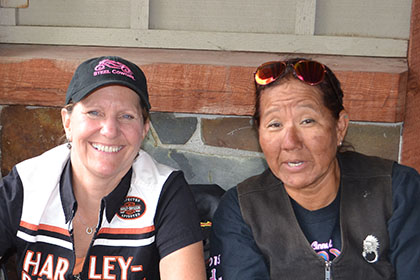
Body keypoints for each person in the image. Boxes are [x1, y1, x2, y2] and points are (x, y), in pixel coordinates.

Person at [209, 58, 420, 279]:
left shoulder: (397, 190)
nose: (290, 142)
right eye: (275, 124)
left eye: (307, 121)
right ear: (259, 133)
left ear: (339, 127)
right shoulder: (242, 210)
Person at [0, 56, 206, 280]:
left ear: (144, 129)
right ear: (67, 122)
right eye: (94, 112)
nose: (109, 130)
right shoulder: (27, 184)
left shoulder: (164, 191)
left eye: (126, 116)